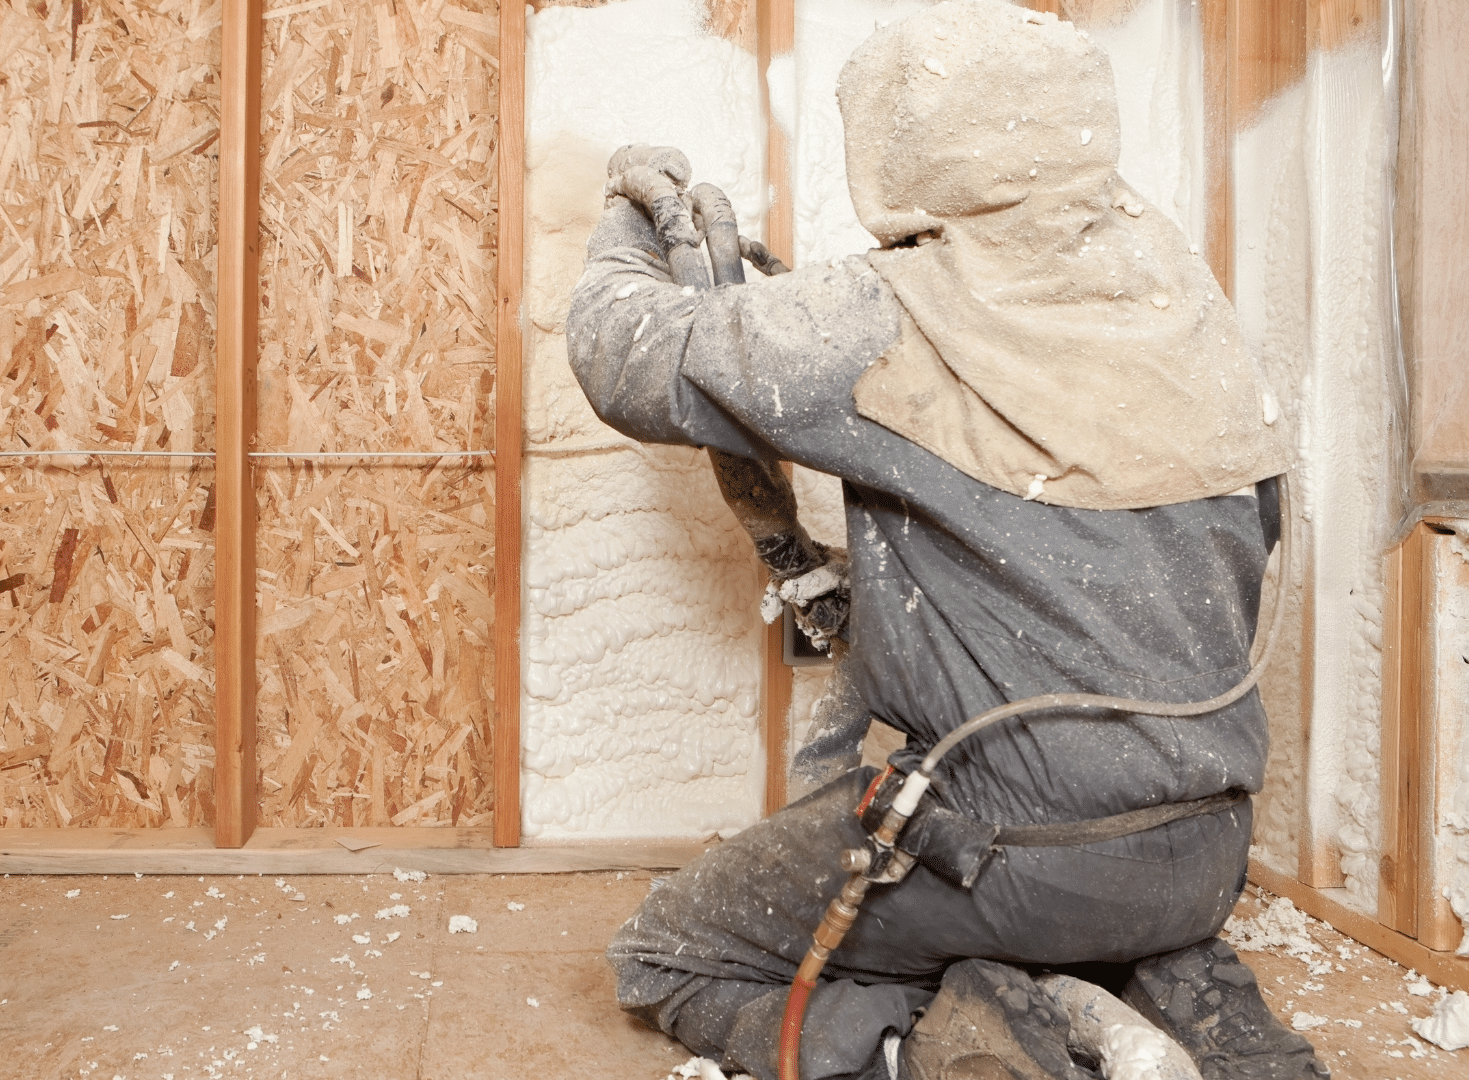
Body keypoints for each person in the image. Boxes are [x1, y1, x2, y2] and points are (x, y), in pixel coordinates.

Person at [564, 4, 1327, 1079]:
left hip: (1017, 859)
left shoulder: (891, 314)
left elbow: (622, 353)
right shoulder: (1184, 305)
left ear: (902, 142)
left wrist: (624, 211)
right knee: (1091, 886)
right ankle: (1179, 999)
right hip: (1203, 856)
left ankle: (936, 1049)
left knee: (670, 952)